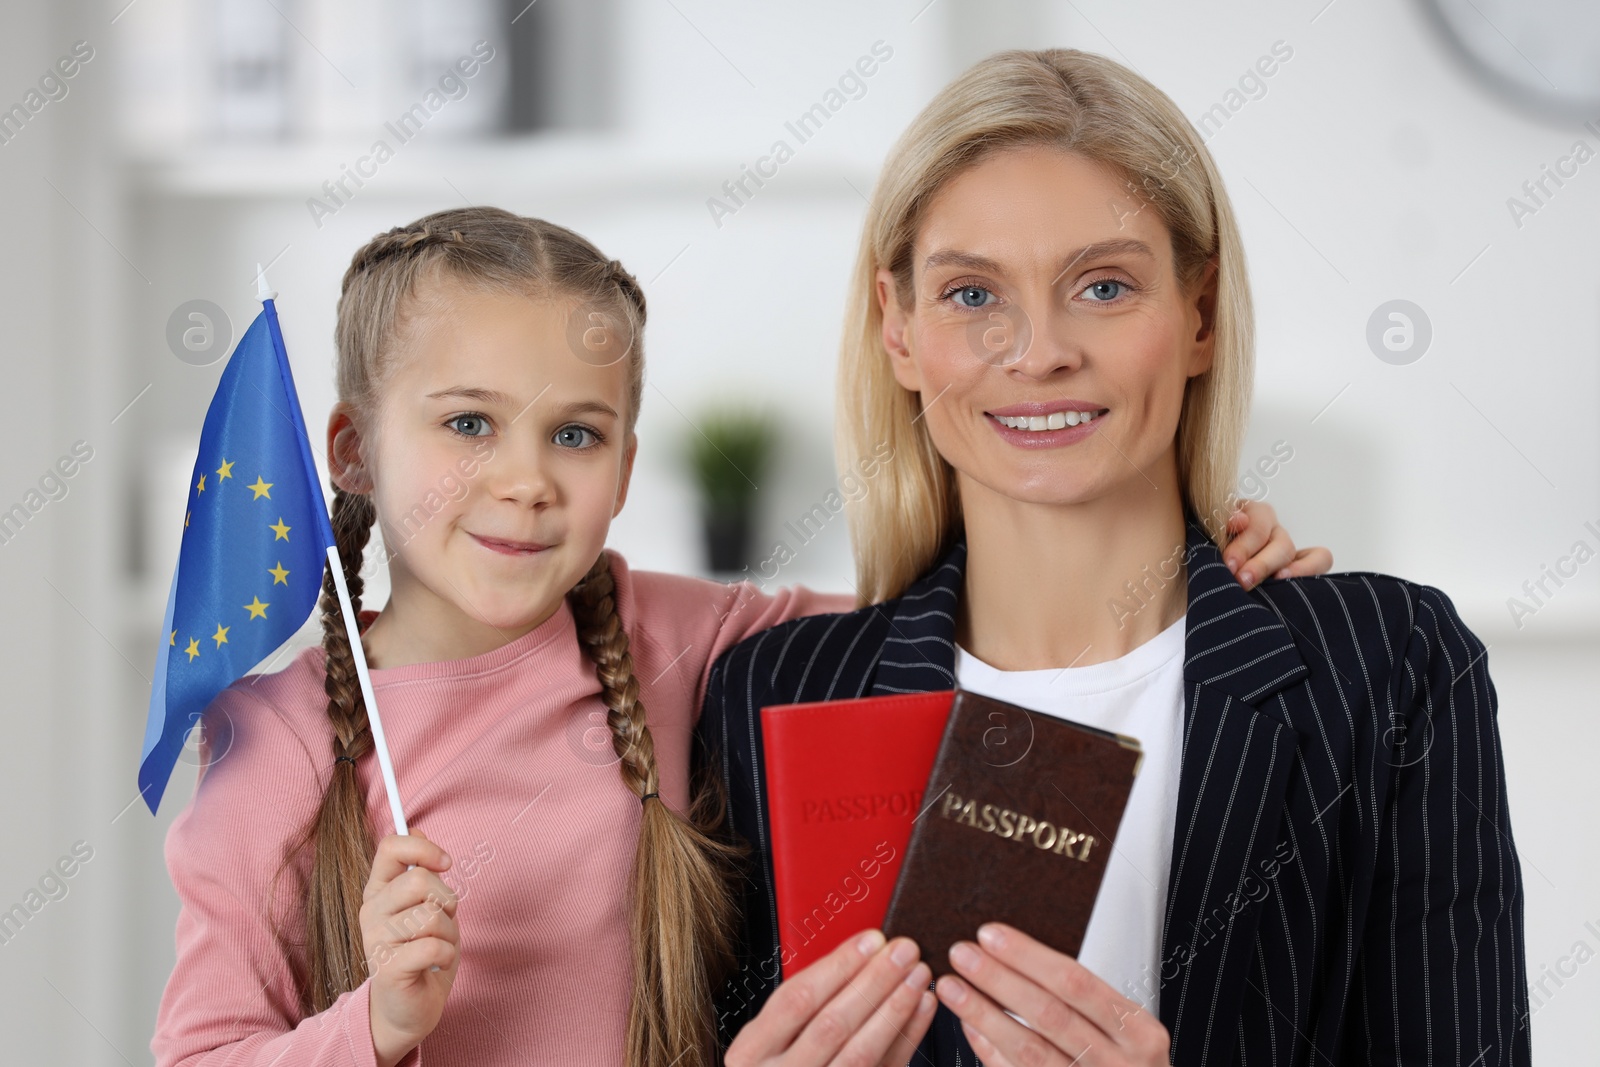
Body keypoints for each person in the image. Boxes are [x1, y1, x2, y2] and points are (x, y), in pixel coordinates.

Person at [149, 206, 1315, 1067]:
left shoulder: (680, 636)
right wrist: (380, 1023)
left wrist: (1169, 561)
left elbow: (948, 616)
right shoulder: (276, 737)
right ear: (351, 450)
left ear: (626, 466)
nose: (524, 482)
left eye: (576, 434)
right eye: (467, 423)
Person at [699, 49, 1529, 1067]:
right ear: (898, 329)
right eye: (970, 294)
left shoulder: (1388, 664)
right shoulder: (773, 694)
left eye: (1101, 284)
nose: (1039, 349)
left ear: (1200, 316)